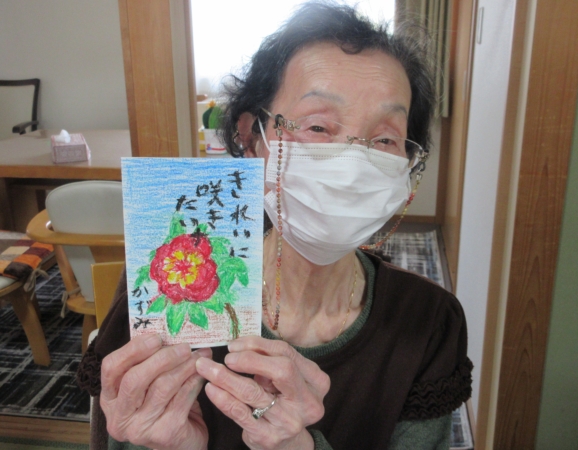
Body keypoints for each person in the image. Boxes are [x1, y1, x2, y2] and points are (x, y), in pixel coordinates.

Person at [77, 2, 472, 449]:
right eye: (318, 127)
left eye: (384, 138)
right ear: (251, 137)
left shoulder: (428, 322)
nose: (352, 163)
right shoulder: (164, 286)